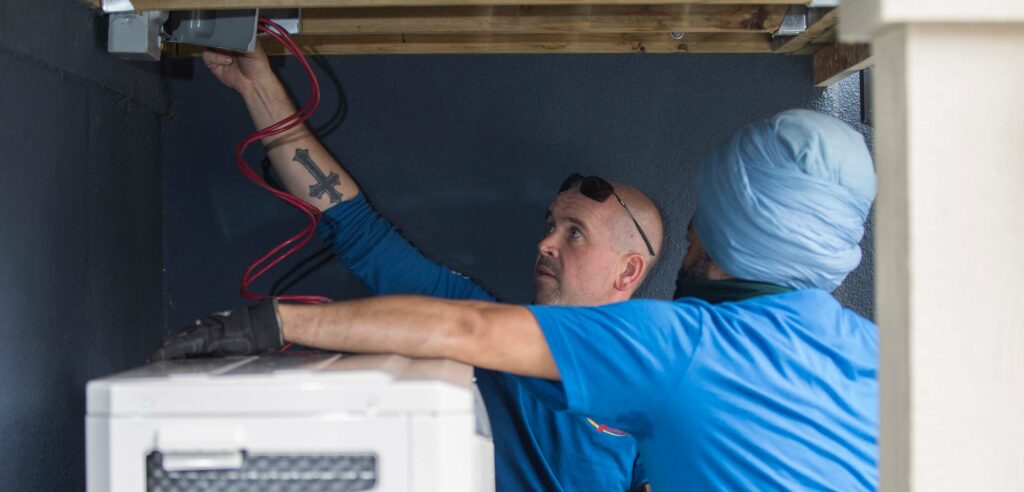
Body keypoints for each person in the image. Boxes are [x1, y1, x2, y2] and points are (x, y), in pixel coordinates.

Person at [180, 41, 666, 491]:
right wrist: (258, 86)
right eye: (550, 225)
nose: (544, 242)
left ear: (627, 272)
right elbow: (356, 228)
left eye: (573, 232)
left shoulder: (662, 395)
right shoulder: (477, 330)